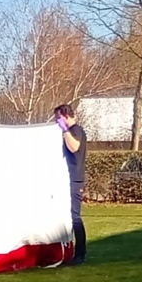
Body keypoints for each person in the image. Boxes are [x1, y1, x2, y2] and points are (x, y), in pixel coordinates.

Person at [55, 104, 88, 265]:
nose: (56, 121)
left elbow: (74, 147)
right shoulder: (72, 131)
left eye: (58, 117)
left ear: (66, 115)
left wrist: (65, 131)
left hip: (76, 179)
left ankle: (80, 254)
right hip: (69, 178)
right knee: (69, 216)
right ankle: (71, 251)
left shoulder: (76, 130)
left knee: (75, 217)